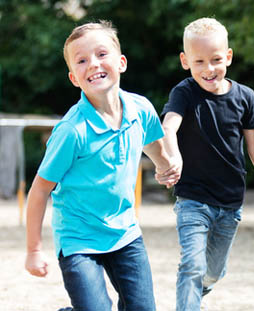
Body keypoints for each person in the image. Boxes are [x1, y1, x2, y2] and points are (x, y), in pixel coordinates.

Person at [23, 21, 180, 311]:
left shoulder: (141, 109)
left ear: (121, 63)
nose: (93, 64)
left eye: (101, 54)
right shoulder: (72, 130)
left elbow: (152, 142)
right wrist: (34, 250)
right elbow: (39, 190)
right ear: (73, 77)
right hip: (79, 240)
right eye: (82, 60)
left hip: (125, 233)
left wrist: (164, 165)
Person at [160, 17, 254, 311]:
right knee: (191, 264)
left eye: (215, 59)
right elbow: (168, 127)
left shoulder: (245, 97)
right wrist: (171, 157)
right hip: (193, 200)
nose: (208, 69)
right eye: (199, 61)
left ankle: (195, 294)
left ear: (228, 56)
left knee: (212, 271)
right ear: (185, 61)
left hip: (229, 201)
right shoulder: (184, 93)